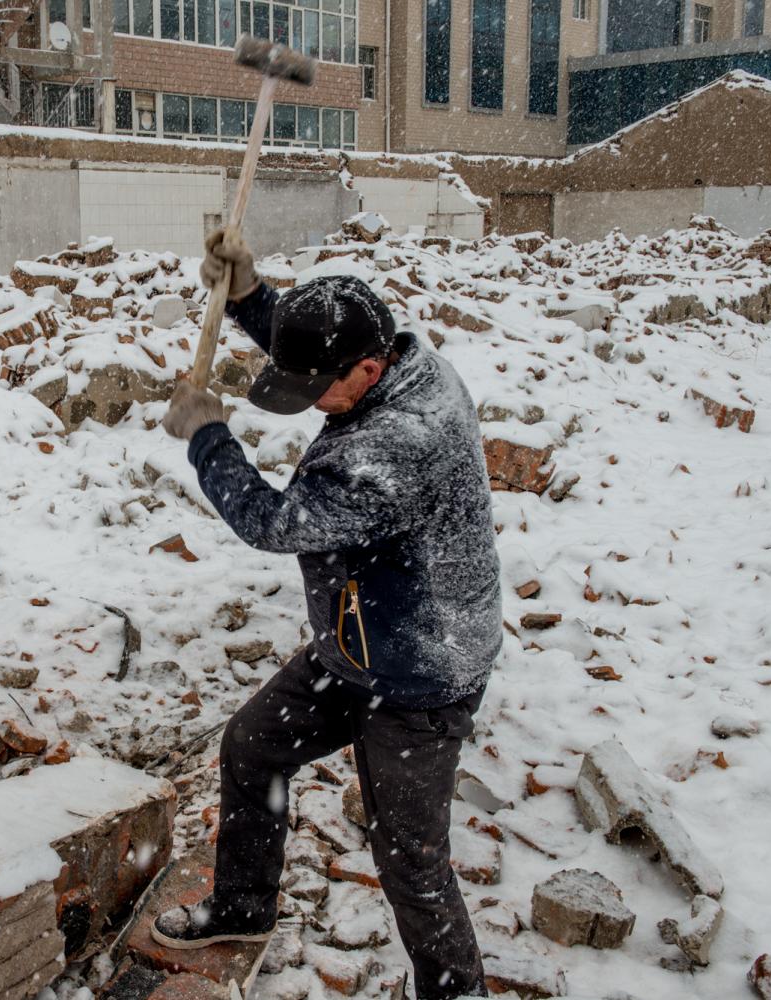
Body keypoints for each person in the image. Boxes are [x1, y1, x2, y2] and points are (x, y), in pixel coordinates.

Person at [150, 229, 502, 999]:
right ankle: (244, 905)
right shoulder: (401, 360)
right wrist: (248, 299)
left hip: (420, 673)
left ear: (368, 370)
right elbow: (315, 347)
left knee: (409, 856)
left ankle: (458, 992)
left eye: (319, 391)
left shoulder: (393, 449)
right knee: (252, 746)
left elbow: (274, 524)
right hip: (361, 641)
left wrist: (209, 437)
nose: (310, 403)